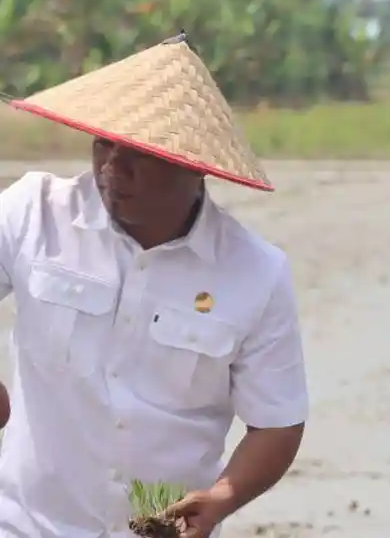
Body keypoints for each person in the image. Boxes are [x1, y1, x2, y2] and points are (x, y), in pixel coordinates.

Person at [0, 34, 308, 538]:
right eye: (104, 143)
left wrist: (222, 498)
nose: (111, 169)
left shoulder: (256, 273)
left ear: (195, 166)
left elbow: (277, 422)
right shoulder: (33, 212)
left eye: (138, 153)